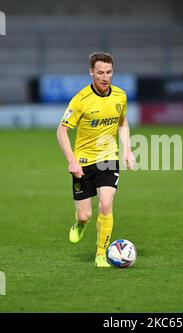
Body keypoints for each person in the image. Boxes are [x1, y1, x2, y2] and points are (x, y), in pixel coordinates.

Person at [57, 52, 135, 267]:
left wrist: (127, 150)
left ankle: (101, 254)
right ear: (91, 71)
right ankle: (80, 223)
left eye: (109, 72)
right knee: (85, 215)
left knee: (106, 204)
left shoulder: (120, 96)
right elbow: (61, 131)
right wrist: (71, 160)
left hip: (109, 157)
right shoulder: (80, 100)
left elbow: (122, 123)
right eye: (100, 72)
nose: (105, 77)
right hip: (82, 162)